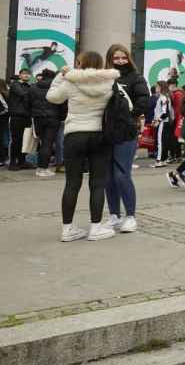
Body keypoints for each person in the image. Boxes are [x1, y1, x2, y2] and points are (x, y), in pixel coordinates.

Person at [46, 51, 119, 241]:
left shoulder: (71, 81)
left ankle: (67, 229)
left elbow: (52, 97)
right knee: (97, 183)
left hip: (74, 134)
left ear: (81, 63)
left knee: (72, 182)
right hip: (99, 135)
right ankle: (95, 228)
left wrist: (61, 75)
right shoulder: (109, 82)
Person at [104, 44, 150, 232]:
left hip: (126, 131)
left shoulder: (136, 78)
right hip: (105, 132)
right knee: (108, 177)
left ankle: (130, 216)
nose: (120, 61)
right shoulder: (104, 77)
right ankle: (114, 215)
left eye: (123, 58)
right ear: (110, 59)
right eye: (116, 58)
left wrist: (129, 117)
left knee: (122, 174)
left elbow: (143, 101)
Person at [28, 69, 61, 176]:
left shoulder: (33, 87)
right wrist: (62, 115)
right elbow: (62, 103)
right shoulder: (56, 87)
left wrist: (33, 112)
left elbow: (27, 102)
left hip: (38, 118)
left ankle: (39, 167)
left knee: (42, 143)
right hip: (53, 117)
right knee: (48, 143)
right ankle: (43, 168)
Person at [7, 68, 33, 170]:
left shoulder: (30, 86)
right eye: (24, 73)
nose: (26, 75)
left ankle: (22, 161)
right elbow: (23, 94)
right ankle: (13, 162)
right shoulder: (15, 85)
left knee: (25, 140)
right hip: (17, 116)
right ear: (20, 75)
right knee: (16, 140)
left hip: (27, 116)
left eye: (28, 74)